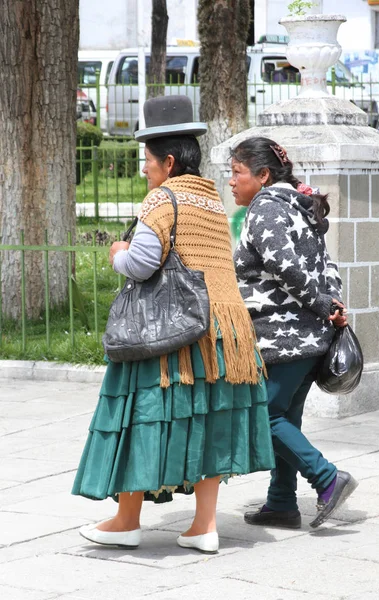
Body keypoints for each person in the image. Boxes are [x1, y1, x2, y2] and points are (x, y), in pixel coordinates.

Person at [72, 97, 274, 553]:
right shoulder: (214, 201)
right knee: (208, 421)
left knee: (139, 415)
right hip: (225, 333)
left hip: (173, 331)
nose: (144, 169)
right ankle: (204, 526)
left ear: (167, 161)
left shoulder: (162, 199)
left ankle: (126, 521)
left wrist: (116, 256)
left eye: (147, 160)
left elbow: (143, 264)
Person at [230, 136, 358, 530]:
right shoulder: (299, 207)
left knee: (264, 415)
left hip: (282, 337)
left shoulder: (266, 206)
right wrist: (331, 304)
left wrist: (322, 304)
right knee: (286, 419)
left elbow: (283, 264)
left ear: (263, 175)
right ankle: (282, 503)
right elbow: (327, 265)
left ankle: (326, 478)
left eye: (237, 173)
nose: (231, 182)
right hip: (309, 338)